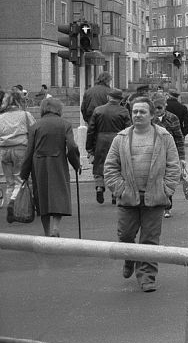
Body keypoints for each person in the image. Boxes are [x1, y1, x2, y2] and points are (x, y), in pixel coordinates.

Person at [104, 96, 180, 293]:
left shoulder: (164, 137)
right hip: (128, 197)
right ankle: (130, 257)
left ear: (152, 115)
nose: (137, 115)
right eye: (135, 111)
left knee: (150, 240)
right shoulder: (121, 138)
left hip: (154, 198)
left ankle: (147, 276)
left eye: (142, 111)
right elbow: (110, 167)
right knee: (126, 235)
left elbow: (173, 166)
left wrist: (166, 189)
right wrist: (119, 189)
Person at [19, 98, 81, 237]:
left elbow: (29, 151)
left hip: (38, 165)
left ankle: (46, 233)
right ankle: (55, 228)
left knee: (41, 196)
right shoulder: (65, 124)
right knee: (59, 194)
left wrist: (24, 172)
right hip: (58, 162)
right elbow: (71, 146)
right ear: (59, 109)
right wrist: (76, 163)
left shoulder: (35, 126)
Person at [85, 88, 130, 205]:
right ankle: (115, 193)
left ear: (108, 97)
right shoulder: (124, 111)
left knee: (99, 166)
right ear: (120, 100)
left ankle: (99, 186)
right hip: (118, 140)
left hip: (101, 141)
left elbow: (91, 130)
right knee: (117, 167)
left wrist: (89, 147)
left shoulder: (98, 110)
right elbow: (129, 130)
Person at [151, 93, 186, 218]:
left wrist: (182, 158)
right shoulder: (148, 120)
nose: (158, 111)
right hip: (152, 155)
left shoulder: (173, 118)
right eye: (155, 108)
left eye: (160, 108)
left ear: (164, 107)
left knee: (167, 180)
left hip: (169, 155)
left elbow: (179, 138)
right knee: (154, 180)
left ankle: (167, 206)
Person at [0, 90, 36, 209]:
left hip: (4, 150)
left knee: (9, 182)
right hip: (20, 149)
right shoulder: (25, 115)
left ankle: (9, 202)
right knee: (21, 179)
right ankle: (15, 203)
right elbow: (34, 131)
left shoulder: (1, 117)